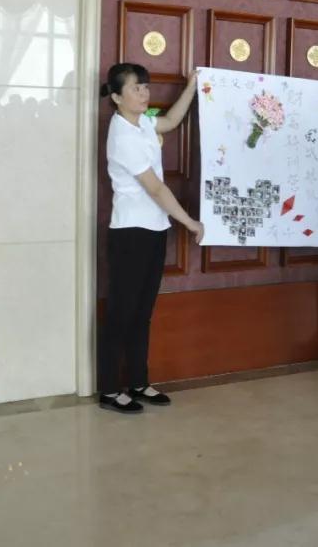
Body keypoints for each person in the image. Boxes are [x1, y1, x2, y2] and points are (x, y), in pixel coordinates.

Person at [99, 63, 204, 414]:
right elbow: (156, 189)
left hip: (155, 230)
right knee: (121, 313)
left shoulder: (141, 122)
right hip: (130, 234)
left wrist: (192, 86)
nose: (144, 93)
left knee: (142, 312)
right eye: (136, 88)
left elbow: (170, 121)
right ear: (117, 97)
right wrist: (190, 222)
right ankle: (109, 389)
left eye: (145, 87)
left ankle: (138, 381)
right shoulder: (121, 136)